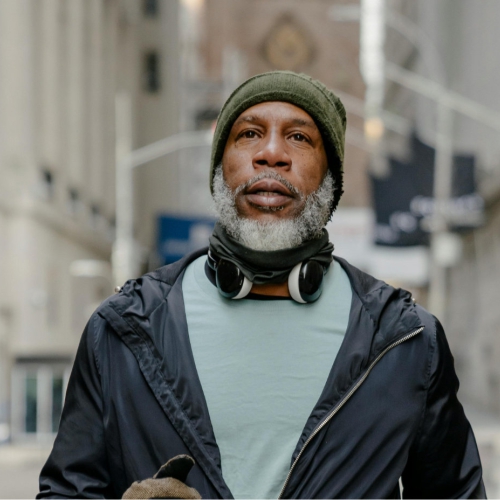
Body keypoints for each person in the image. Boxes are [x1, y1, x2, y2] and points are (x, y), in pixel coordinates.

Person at [38, 71, 486, 499]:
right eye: (249, 133)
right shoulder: (120, 331)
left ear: (331, 178)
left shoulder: (405, 341)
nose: (271, 153)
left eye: (299, 137)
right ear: (220, 169)